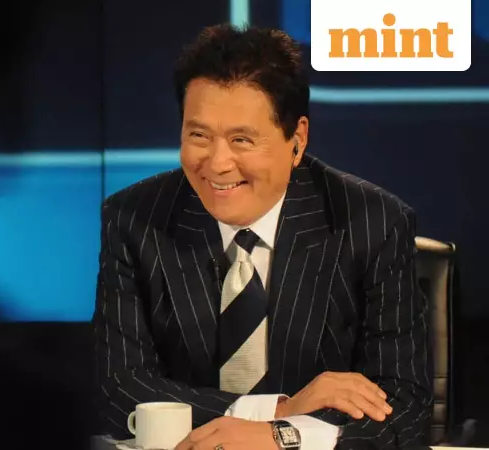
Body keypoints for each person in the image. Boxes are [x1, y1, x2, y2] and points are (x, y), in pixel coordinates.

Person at [92, 24, 432, 450]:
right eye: (198, 136)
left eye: (242, 140)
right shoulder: (134, 220)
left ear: (297, 140)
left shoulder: (371, 223)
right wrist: (277, 411)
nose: (217, 163)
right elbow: (119, 390)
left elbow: (404, 408)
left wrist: (280, 438)